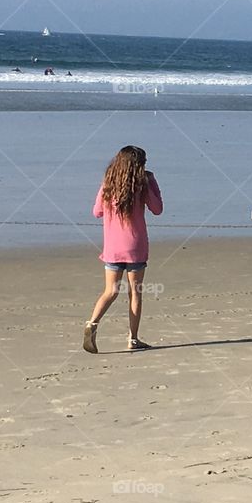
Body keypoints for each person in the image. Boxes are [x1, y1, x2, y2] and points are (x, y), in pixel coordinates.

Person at [83, 145, 163, 353]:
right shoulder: (142, 185)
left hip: (112, 247)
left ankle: (92, 323)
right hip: (135, 246)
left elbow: (96, 212)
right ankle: (133, 339)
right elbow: (157, 209)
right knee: (135, 293)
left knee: (110, 291)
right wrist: (152, 181)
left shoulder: (108, 184)